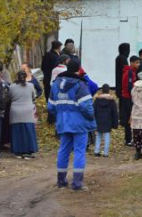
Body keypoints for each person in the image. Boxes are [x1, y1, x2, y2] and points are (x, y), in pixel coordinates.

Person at [48, 58, 96, 190]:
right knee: (79, 152)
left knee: (63, 151)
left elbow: (51, 107)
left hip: (63, 123)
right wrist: (91, 118)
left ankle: (61, 181)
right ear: (78, 69)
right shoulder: (80, 84)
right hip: (79, 124)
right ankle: (77, 183)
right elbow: (86, 106)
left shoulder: (56, 84)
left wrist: (60, 115)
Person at [9, 71, 39, 159]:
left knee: (17, 131)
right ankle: (28, 152)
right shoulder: (30, 86)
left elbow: (9, 97)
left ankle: (18, 151)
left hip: (15, 110)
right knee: (28, 131)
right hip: (28, 110)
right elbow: (34, 96)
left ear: (17, 77)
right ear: (26, 77)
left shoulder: (12, 86)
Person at [93, 84, 118, 157]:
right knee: (107, 137)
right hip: (108, 121)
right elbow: (115, 113)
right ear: (109, 91)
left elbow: (94, 111)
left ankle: (96, 151)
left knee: (98, 136)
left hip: (98, 121)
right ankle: (106, 153)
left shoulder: (97, 100)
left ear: (102, 91)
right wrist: (115, 124)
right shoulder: (112, 101)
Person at [120, 56, 140, 146]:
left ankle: (129, 138)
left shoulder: (131, 72)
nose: (138, 64)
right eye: (136, 62)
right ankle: (128, 139)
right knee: (129, 118)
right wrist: (134, 97)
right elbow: (129, 87)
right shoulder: (130, 72)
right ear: (131, 63)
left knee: (130, 117)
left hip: (127, 97)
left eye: (138, 63)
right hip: (128, 98)